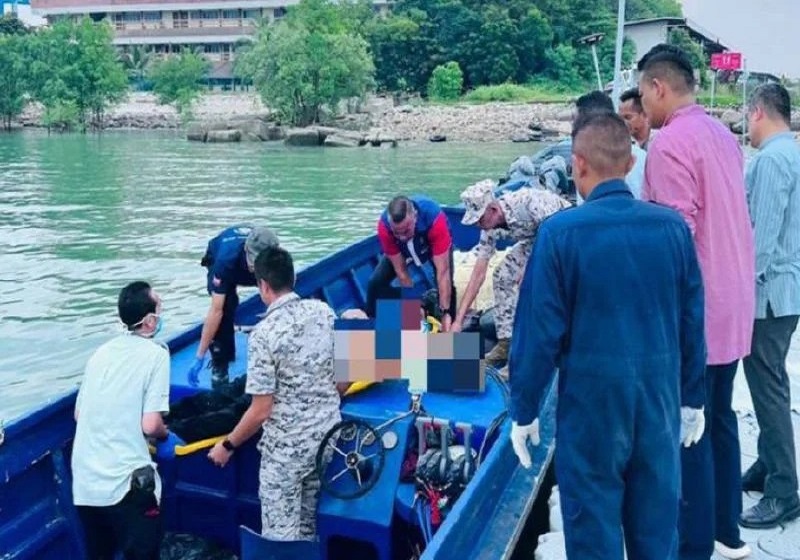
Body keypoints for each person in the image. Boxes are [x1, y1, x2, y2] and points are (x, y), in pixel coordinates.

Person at [508, 112, 706, 560]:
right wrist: (693, 398)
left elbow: (538, 333)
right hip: (658, 403)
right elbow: (693, 320)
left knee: (592, 531)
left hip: (591, 409)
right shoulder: (673, 229)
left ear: (578, 165)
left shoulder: (559, 235)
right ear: (632, 163)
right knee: (656, 531)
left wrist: (524, 409)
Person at [638, 43, 755, 560]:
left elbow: (676, 239)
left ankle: (694, 547)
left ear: (659, 87)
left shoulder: (669, 143)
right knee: (721, 417)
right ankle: (728, 531)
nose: (643, 106)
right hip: (735, 302)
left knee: (690, 430)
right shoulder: (722, 135)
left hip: (698, 311)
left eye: (642, 94)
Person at [207, 246, 341, 541]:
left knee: (280, 539)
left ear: (263, 286)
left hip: (287, 456)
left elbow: (260, 410)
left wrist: (227, 446)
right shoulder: (324, 312)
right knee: (307, 526)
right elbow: (343, 378)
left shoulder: (264, 335)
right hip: (327, 441)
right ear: (292, 278)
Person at [71, 281, 174, 560]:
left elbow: (79, 415)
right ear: (151, 321)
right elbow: (151, 425)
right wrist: (165, 434)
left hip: (84, 482)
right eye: (159, 307)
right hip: (125, 483)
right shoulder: (156, 355)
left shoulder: (100, 353)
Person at [739, 83, 800, 529]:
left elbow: (760, 239)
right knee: (769, 381)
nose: (746, 125)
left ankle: (783, 489)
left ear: (758, 111)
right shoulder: (792, 154)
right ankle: (767, 464)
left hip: (771, 294)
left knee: (768, 386)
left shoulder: (773, 160)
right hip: (785, 289)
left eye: (747, 115)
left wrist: (740, 291)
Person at [451, 179, 571, 366]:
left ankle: (534, 349)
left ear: (493, 210)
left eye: (479, 219)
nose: (478, 225)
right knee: (502, 276)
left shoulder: (528, 202)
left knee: (531, 282)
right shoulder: (488, 228)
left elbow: (554, 235)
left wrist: (529, 270)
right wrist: (458, 321)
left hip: (564, 236)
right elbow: (478, 274)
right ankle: (507, 343)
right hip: (535, 239)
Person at [188, 224, 280, 389]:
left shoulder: (276, 259)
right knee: (225, 307)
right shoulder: (225, 261)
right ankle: (221, 362)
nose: (255, 266)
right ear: (246, 250)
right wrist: (199, 356)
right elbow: (215, 311)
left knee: (277, 300)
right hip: (227, 264)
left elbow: (282, 295)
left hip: (259, 265)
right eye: (253, 260)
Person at [366, 195, 456, 331]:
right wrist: (414, 308)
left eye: (406, 230)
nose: (402, 236)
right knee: (375, 283)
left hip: (430, 241)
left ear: (415, 216)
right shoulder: (384, 227)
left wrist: (445, 313)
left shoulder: (434, 219)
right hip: (401, 249)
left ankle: (450, 326)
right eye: (397, 232)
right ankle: (373, 326)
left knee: (445, 283)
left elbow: (443, 273)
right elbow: (402, 273)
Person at [570, 91, 648, 200]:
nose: (573, 126)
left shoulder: (583, 158)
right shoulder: (644, 157)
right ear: (630, 163)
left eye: (575, 121)